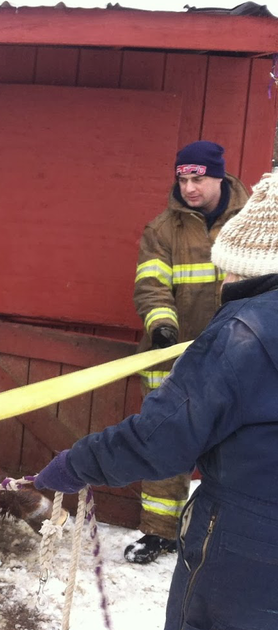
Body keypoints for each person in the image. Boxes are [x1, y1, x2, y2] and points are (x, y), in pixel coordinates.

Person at [35, 168, 278, 630]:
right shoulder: (163, 232)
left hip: (250, 545)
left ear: (250, 263)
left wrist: (75, 464)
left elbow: (161, 439)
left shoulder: (244, 333)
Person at [127, 140, 248, 565]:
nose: (190, 187)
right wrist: (162, 328)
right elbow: (151, 285)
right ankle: (158, 532)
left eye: (198, 178)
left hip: (238, 357)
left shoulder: (252, 224)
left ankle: (223, 535)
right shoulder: (162, 230)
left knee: (235, 449)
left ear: (219, 176)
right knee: (164, 444)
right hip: (173, 358)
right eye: (183, 177)